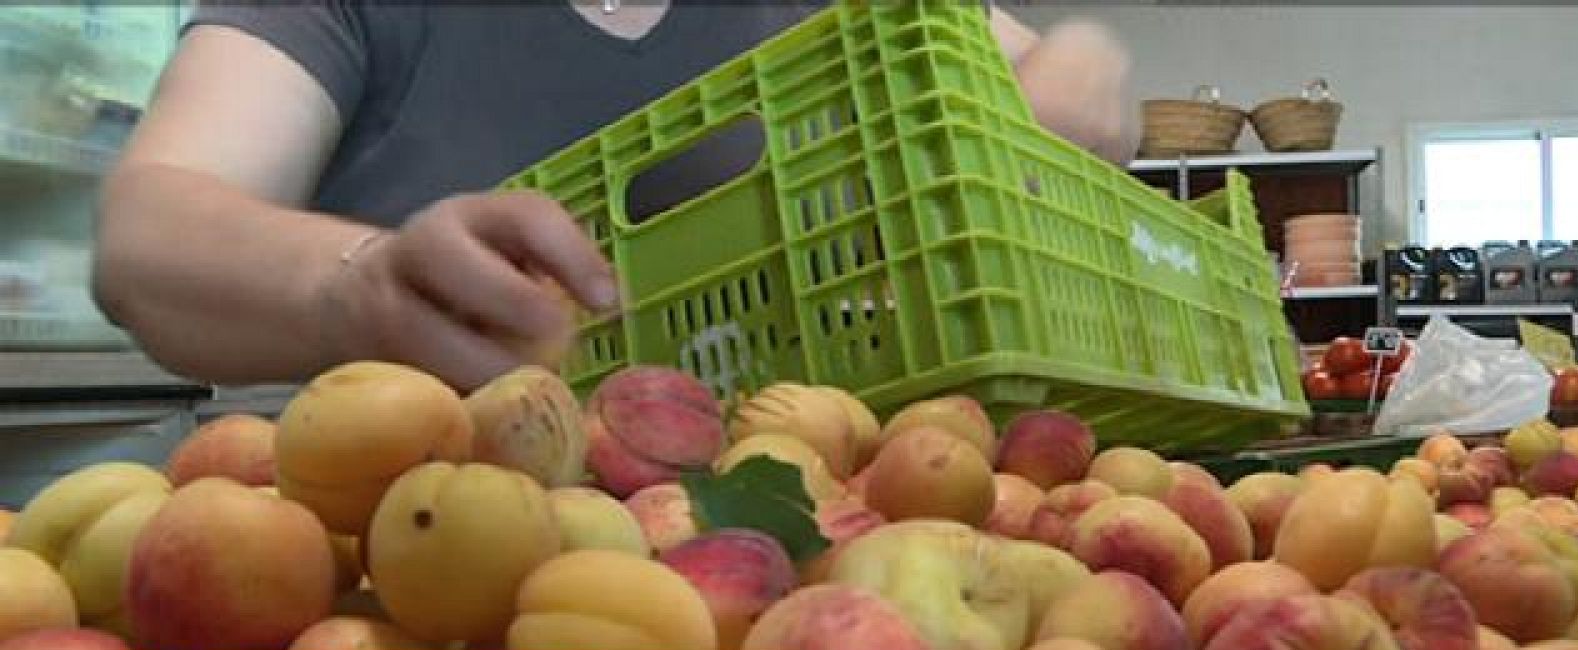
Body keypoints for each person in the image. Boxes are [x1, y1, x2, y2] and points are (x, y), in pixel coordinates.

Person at [94, 2, 1137, 393]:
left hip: (788, 565)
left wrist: (1082, 61)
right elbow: (149, 235)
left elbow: (1062, 75)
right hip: (411, 579)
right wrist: (357, 288)